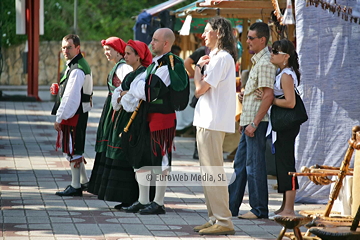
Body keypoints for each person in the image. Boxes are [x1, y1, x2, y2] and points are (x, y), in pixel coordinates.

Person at [121, 28, 188, 215]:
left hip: (162, 119)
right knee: (141, 158)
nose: (152, 43)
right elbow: (136, 85)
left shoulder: (169, 65)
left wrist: (134, 89)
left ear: (166, 43)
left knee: (160, 160)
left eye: (155, 40)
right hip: (146, 118)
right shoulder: (155, 64)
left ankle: (158, 202)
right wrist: (135, 88)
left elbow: (147, 91)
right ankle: (143, 200)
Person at [192, 16, 237, 236]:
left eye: (207, 30)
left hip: (211, 122)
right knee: (208, 174)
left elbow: (200, 90)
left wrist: (196, 70)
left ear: (218, 33)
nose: (203, 35)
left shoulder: (221, 58)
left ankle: (223, 219)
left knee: (213, 173)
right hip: (207, 121)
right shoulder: (216, 57)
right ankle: (214, 218)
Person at [228, 22, 276, 219]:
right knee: (240, 165)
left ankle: (259, 209)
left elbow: (268, 96)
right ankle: (230, 207)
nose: (246, 41)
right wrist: (246, 96)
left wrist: (255, 123)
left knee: (254, 166)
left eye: (251, 38)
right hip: (249, 123)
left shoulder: (265, 63)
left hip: (255, 123)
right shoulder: (258, 61)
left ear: (262, 40)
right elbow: (260, 93)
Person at [256, 39, 301, 218]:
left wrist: (271, 100)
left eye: (276, 51)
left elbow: (290, 102)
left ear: (286, 57)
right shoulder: (282, 72)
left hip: (287, 125)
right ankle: (285, 206)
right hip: (283, 125)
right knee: (282, 165)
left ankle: (289, 209)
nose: (272, 54)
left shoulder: (286, 75)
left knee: (287, 165)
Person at [87, 37, 133, 206]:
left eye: (109, 50)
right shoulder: (119, 67)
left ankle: (122, 192)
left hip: (119, 110)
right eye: (105, 50)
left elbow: (128, 89)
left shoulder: (123, 68)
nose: (106, 53)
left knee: (117, 147)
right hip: (113, 109)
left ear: (118, 51)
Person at [51, 34, 93, 197]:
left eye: (69, 47)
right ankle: (83, 181)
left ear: (77, 48)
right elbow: (69, 91)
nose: (65, 50)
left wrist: (59, 117)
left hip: (74, 114)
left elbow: (71, 97)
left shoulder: (77, 69)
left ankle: (75, 186)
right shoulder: (77, 65)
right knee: (76, 146)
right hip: (78, 112)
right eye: (63, 47)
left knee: (73, 147)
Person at [184, 46, 210, 159]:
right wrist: (196, 75)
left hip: (210, 91)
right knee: (199, 122)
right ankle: (197, 149)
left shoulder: (221, 54)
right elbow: (187, 62)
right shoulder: (202, 51)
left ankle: (203, 150)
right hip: (202, 90)